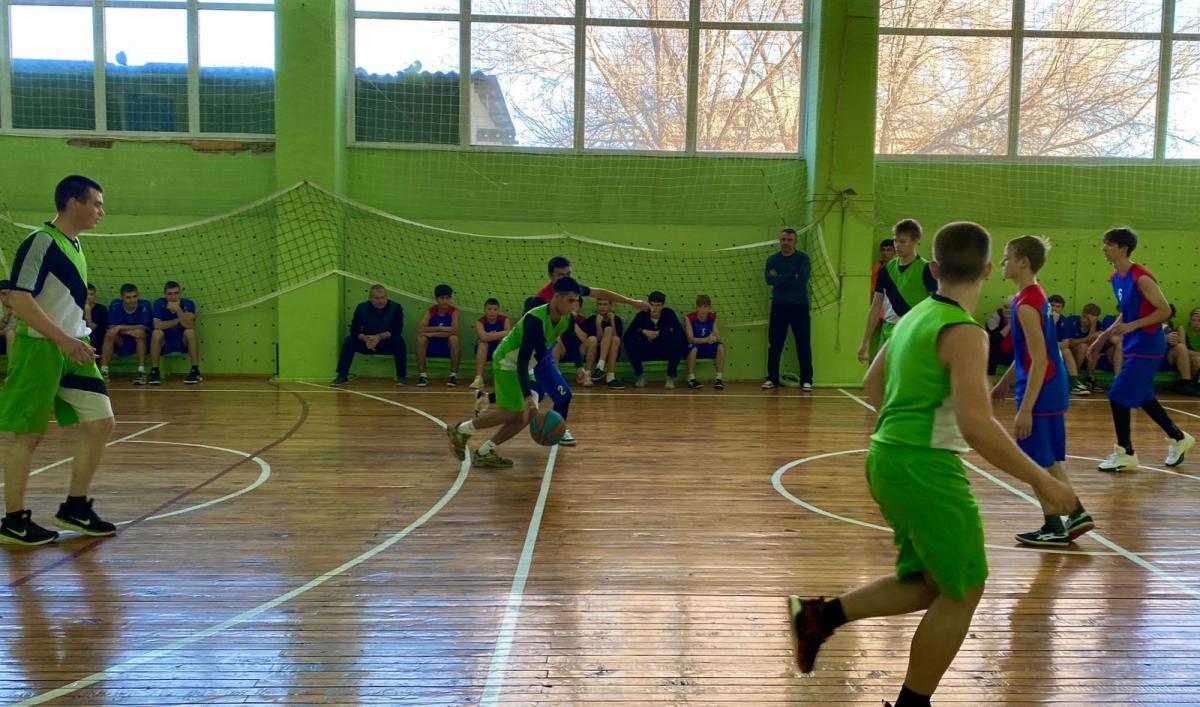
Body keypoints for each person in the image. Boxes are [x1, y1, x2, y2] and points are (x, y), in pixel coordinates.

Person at [788, 221, 1075, 707]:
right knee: (964, 591)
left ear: (935, 269)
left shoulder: (915, 315)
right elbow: (977, 426)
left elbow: (872, 384)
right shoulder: (964, 332)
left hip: (886, 458)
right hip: (925, 470)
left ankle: (819, 617)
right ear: (988, 269)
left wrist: (904, 428)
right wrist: (1043, 482)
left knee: (927, 584)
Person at [0, 175, 118, 546]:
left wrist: (75, 338)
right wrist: (63, 339)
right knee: (28, 435)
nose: (101, 211)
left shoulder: (75, 244)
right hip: (39, 350)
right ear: (73, 203)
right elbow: (19, 299)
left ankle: (75, 508)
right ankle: (13, 522)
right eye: (96, 203)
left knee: (100, 423)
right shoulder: (41, 241)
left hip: (74, 349)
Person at [991, 236, 1094, 547]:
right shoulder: (1033, 296)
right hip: (1048, 384)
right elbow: (1028, 354)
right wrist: (1004, 382)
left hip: (1042, 388)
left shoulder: (1026, 305)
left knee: (1036, 460)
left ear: (1024, 262)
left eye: (1008, 257)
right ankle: (1070, 517)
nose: (1002, 262)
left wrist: (1026, 409)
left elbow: (1039, 360)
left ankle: (1061, 521)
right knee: (1045, 459)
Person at [1086, 228, 1195, 470]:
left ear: (1124, 248)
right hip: (1134, 343)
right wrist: (1102, 337)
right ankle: (1179, 438)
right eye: (1104, 244)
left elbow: (1165, 311)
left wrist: (1133, 325)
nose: (1104, 248)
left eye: (1109, 244)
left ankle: (1126, 453)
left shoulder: (1142, 277)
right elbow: (1126, 312)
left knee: (1117, 394)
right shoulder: (1116, 277)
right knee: (1144, 396)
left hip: (1149, 344)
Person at [447, 277, 582, 469]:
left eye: (576, 301)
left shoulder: (567, 318)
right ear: (556, 297)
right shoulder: (535, 320)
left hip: (530, 364)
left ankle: (484, 452)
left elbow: (571, 342)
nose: (574, 306)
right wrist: (527, 396)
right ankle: (461, 429)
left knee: (527, 414)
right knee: (516, 412)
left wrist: (580, 367)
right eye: (570, 301)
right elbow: (522, 361)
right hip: (508, 362)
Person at [532, 256, 649, 444]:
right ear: (551, 276)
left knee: (562, 396)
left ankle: (559, 429)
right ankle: (488, 424)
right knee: (522, 405)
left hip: (543, 358)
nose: (566, 278)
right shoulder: (538, 301)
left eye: (569, 274)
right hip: (528, 358)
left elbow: (600, 293)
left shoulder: (571, 292)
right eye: (561, 275)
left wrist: (632, 302)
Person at [858, 219, 937, 366]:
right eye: (895, 240)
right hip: (888, 331)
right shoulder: (886, 270)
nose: (897, 245)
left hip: (914, 332)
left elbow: (936, 307)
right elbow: (875, 306)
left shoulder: (926, 270)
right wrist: (865, 341)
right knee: (882, 376)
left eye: (902, 241)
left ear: (915, 241)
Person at [763, 228, 813, 391]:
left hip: (799, 306)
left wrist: (780, 277)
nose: (786, 243)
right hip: (779, 305)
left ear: (795, 242)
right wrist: (792, 276)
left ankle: (807, 380)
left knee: (803, 344)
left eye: (789, 240)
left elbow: (802, 280)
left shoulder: (803, 259)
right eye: (783, 240)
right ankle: (772, 378)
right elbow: (770, 280)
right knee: (775, 344)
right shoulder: (773, 260)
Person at [332, 284, 406, 386]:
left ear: (387, 297)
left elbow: (397, 329)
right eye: (377, 298)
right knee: (349, 341)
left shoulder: (396, 308)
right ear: (370, 298)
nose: (381, 301)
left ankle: (401, 376)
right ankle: (342, 376)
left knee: (399, 341)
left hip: (386, 343)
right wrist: (365, 338)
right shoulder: (361, 308)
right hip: (367, 343)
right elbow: (354, 330)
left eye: (383, 297)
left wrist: (378, 337)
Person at [624, 291, 685, 389]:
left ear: (663, 306)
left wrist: (658, 334)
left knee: (677, 340)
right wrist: (644, 332)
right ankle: (640, 375)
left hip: (664, 350)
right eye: (652, 305)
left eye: (658, 305)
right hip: (646, 351)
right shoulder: (642, 315)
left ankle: (670, 377)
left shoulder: (669, 314)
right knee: (630, 340)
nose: (654, 308)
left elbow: (679, 332)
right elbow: (628, 335)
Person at [149, 280, 201, 385]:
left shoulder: (188, 303)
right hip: (165, 341)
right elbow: (157, 325)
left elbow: (189, 325)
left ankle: (195, 371)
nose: (173, 297)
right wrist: (180, 319)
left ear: (180, 293)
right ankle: (154, 371)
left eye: (176, 293)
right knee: (156, 333)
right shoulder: (159, 303)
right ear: (165, 295)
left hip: (181, 340)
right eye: (169, 294)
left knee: (190, 332)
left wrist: (178, 310)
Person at [101, 283, 152, 384]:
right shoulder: (115, 305)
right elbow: (111, 327)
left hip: (139, 340)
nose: (132, 300)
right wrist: (129, 331)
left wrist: (120, 327)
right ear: (122, 297)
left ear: (138, 296)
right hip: (121, 340)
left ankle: (141, 371)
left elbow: (143, 327)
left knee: (140, 333)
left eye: (134, 296)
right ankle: (104, 371)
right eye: (128, 297)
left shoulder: (144, 305)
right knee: (109, 334)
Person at [416, 284, 460, 387]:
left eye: (447, 298)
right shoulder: (431, 311)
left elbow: (455, 331)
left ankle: (453, 376)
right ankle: (423, 376)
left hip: (446, 346)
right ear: (436, 299)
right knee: (421, 339)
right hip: (432, 345)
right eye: (442, 298)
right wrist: (442, 329)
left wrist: (433, 332)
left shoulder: (454, 311)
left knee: (454, 339)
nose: (445, 301)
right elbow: (420, 330)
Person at [1047, 294, 1087, 395]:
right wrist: (1053, 323)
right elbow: (1042, 341)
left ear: (1062, 309)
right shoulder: (1041, 319)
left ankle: (1073, 382)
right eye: (1052, 305)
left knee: (1066, 350)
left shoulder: (1064, 321)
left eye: (1058, 306)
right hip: (1040, 350)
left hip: (1056, 349)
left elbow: (1066, 343)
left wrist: (1053, 345)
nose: (1055, 308)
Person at [583, 297, 625, 389]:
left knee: (613, 336)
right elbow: (597, 339)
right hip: (594, 351)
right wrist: (598, 324)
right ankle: (588, 375)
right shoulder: (592, 319)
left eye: (605, 304)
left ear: (610, 306)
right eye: (600, 304)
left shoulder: (617, 320)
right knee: (592, 339)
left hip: (611, 353)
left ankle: (608, 376)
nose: (602, 307)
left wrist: (612, 322)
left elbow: (619, 341)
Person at [685, 295, 725, 390]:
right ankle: (691, 379)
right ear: (697, 308)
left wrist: (713, 338)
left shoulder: (713, 317)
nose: (703, 310)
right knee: (693, 347)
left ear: (709, 308)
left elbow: (718, 337)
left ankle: (719, 379)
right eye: (700, 307)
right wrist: (706, 339)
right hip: (696, 346)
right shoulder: (689, 318)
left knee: (721, 347)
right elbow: (690, 339)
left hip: (708, 346)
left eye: (705, 307)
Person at [471, 298, 511, 390]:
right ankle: (479, 378)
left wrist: (489, 336)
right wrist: (502, 333)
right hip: (485, 351)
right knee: (483, 344)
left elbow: (508, 335)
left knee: (503, 343)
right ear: (485, 310)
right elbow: (483, 337)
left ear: (498, 310)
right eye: (489, 309)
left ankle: (502, 377)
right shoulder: (480, 322)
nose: (492, 312)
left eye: (495, 309)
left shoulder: (504, 320)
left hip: (498, 348)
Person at [1164, 306, 1198, 396]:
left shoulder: (1168, 327)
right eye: (1194, 319)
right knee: (1183, 349)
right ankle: (1186, 383)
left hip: (1167, 357)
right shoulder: (1181, 329)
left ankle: (1186, 383)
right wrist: (1165, 339)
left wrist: (1171, 341)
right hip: (1153, 357)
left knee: (1181, 348)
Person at [83, 283, 107, 360]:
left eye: (91, 294)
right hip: (80, 337)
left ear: (95, 296)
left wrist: (88, 311)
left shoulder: (101, 309)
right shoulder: (77, 308)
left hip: (97, 339)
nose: (88, 297)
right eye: (86, 294)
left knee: (91, 338)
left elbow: (90, 329)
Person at [0, 281, 16, 357]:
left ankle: (11, 363)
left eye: (10, 294)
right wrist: (7, 316)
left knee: (10, 334)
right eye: (4, 294)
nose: (7, 298)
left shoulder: (20, 305)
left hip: (14, 335)